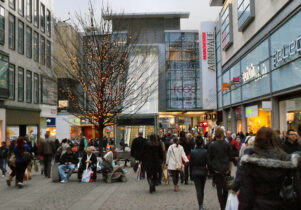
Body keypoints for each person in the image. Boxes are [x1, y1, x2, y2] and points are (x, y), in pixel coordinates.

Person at [238, 127, 301, 210]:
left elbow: (246, 194)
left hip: (259, 205)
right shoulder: (286, 158)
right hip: (282, 203)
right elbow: (297, 186)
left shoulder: (250, 162)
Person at [208, 127, 233, 210]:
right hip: (226, 169)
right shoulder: (227, 145)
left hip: (216, 170)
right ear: (223, 134)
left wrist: (210, 169)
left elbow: (209, 159)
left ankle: (222, 206)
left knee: (219, 188)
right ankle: (224, 204)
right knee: (226, 189)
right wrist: (230, 168)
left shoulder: (212, 145)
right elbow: (231, 158)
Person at [190, 136, 208, 210]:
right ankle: (201, 204)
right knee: (202, 189)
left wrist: (190, 173)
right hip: (203, 171)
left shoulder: (192, 152)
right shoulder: (205, 151)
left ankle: (200, 205)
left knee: (198, 189)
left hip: (195, 171)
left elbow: (191, 164)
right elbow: (208, 162)